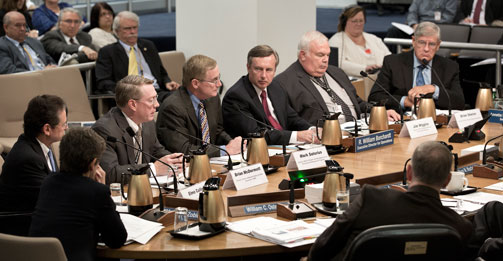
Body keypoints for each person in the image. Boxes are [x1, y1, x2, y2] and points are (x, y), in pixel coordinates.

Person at [308, 141, 473, 260]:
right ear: (447, 180)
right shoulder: (459, 227)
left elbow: (321, 249)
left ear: (409, 172)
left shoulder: (371, 199)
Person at [29, 127, 127, 261]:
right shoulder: (96, 192)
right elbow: (117, 239)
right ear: (93, 164)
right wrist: (102, 187)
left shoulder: (48, 183)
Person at [275, 31, 400, 126]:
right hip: (325, 141)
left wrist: (377, 112)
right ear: (303, 55)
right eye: (320, 55)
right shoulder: (285, 82)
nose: (325, 60)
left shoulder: (337, 72)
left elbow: (358, 103)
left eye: (327, 55)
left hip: (358, 132)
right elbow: (291, 121)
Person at [92, 75, 183, 185]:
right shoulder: (104, 130)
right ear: (133, 104)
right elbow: (110, 173)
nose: (157, 104)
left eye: (156, 98)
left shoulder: (147, 122)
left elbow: (156, 151)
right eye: (151, 100)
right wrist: (153, 168)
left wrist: (177, 161)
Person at [222, 45, 317, 145]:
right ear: (248, 68)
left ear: (275, 70)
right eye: (258, 69)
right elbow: (256, 135)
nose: (263, 76)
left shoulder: (275, 86)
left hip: (286, 148)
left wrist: (312, 130)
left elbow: (291, 118)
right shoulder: (236, 96)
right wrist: (296, 136)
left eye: (268, 70)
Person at [0, 95, 67, 235]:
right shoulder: (28, 159)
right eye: (64, 124)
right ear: (47, 129)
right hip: (23, 234)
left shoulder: (42, 146)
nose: (66, 128)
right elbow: (54, 198)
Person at [156, 54, 242, 157]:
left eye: (219, 78)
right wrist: (224, 150)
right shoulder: (172, 108)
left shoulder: (212, 98)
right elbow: (184, 149)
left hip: (210, 162)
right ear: (195, 83)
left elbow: (217, 132)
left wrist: (233, 144)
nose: (219, 84)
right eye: (214, 80)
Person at [368, 22, 465, 112]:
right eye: (422, 43)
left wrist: (434, 89)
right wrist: (404, 101)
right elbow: (375, 97)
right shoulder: (393, 63)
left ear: (438, 45)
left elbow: (459, 102)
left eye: (431, 44)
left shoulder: (449, 67)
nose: (426, 49)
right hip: (403, 120)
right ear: (414, 41)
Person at [95, 11, 179, 101]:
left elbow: (161, 72)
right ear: (116, 31)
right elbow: (103, 82)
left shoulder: (148, 45)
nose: (132, 31)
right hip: (132, 97)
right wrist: (128, 90)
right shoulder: (108, 52)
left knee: (182, 97)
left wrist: (167, 82)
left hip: (156, 91)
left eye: (135, 27)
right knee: (170, 104)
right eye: (127, 29)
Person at [328, 5, 390, 78]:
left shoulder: (374, 39)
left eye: (361, 21)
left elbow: (389, 57)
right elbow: (338, 64)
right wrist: (365, 68)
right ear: (345, 22)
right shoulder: (336, 41)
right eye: (354, 21)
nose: (358, 24)